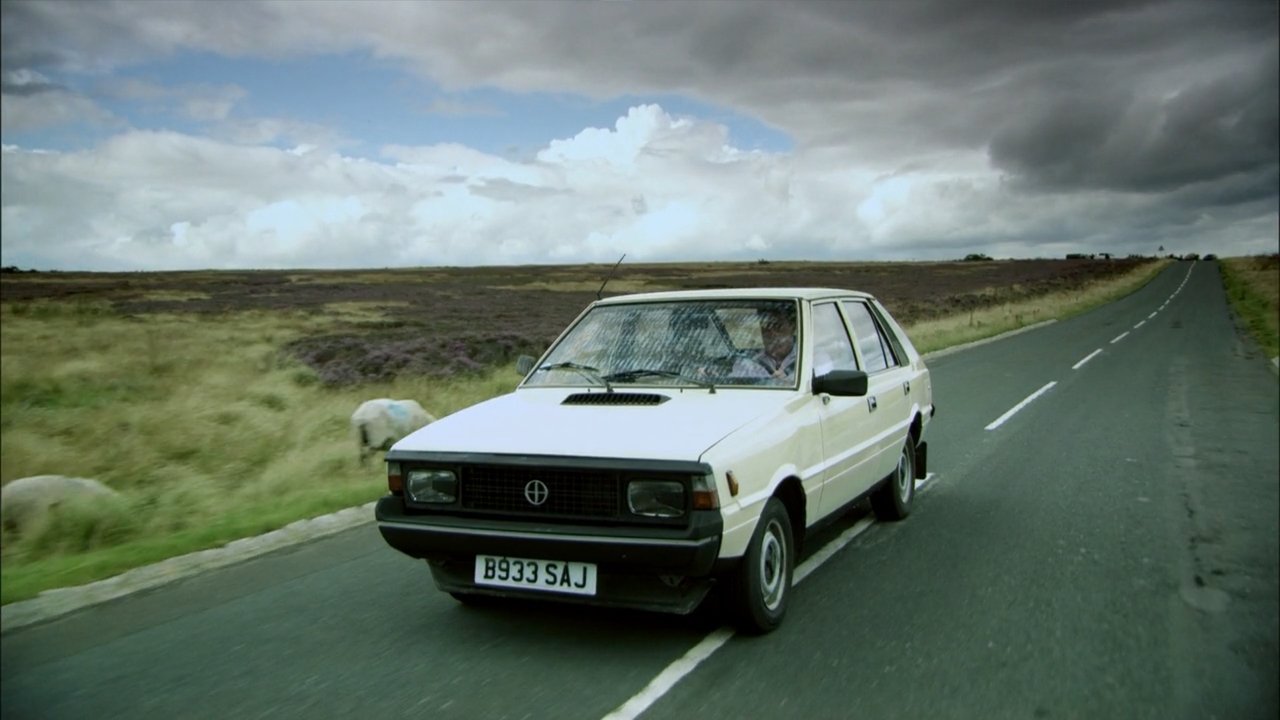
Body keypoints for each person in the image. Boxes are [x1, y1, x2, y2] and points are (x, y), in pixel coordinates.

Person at [733, 305, 797, 382]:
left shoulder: (809, 358)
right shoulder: (747, 364)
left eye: (778, 326)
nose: (771, 333)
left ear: (792, 327)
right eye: (766, 326)